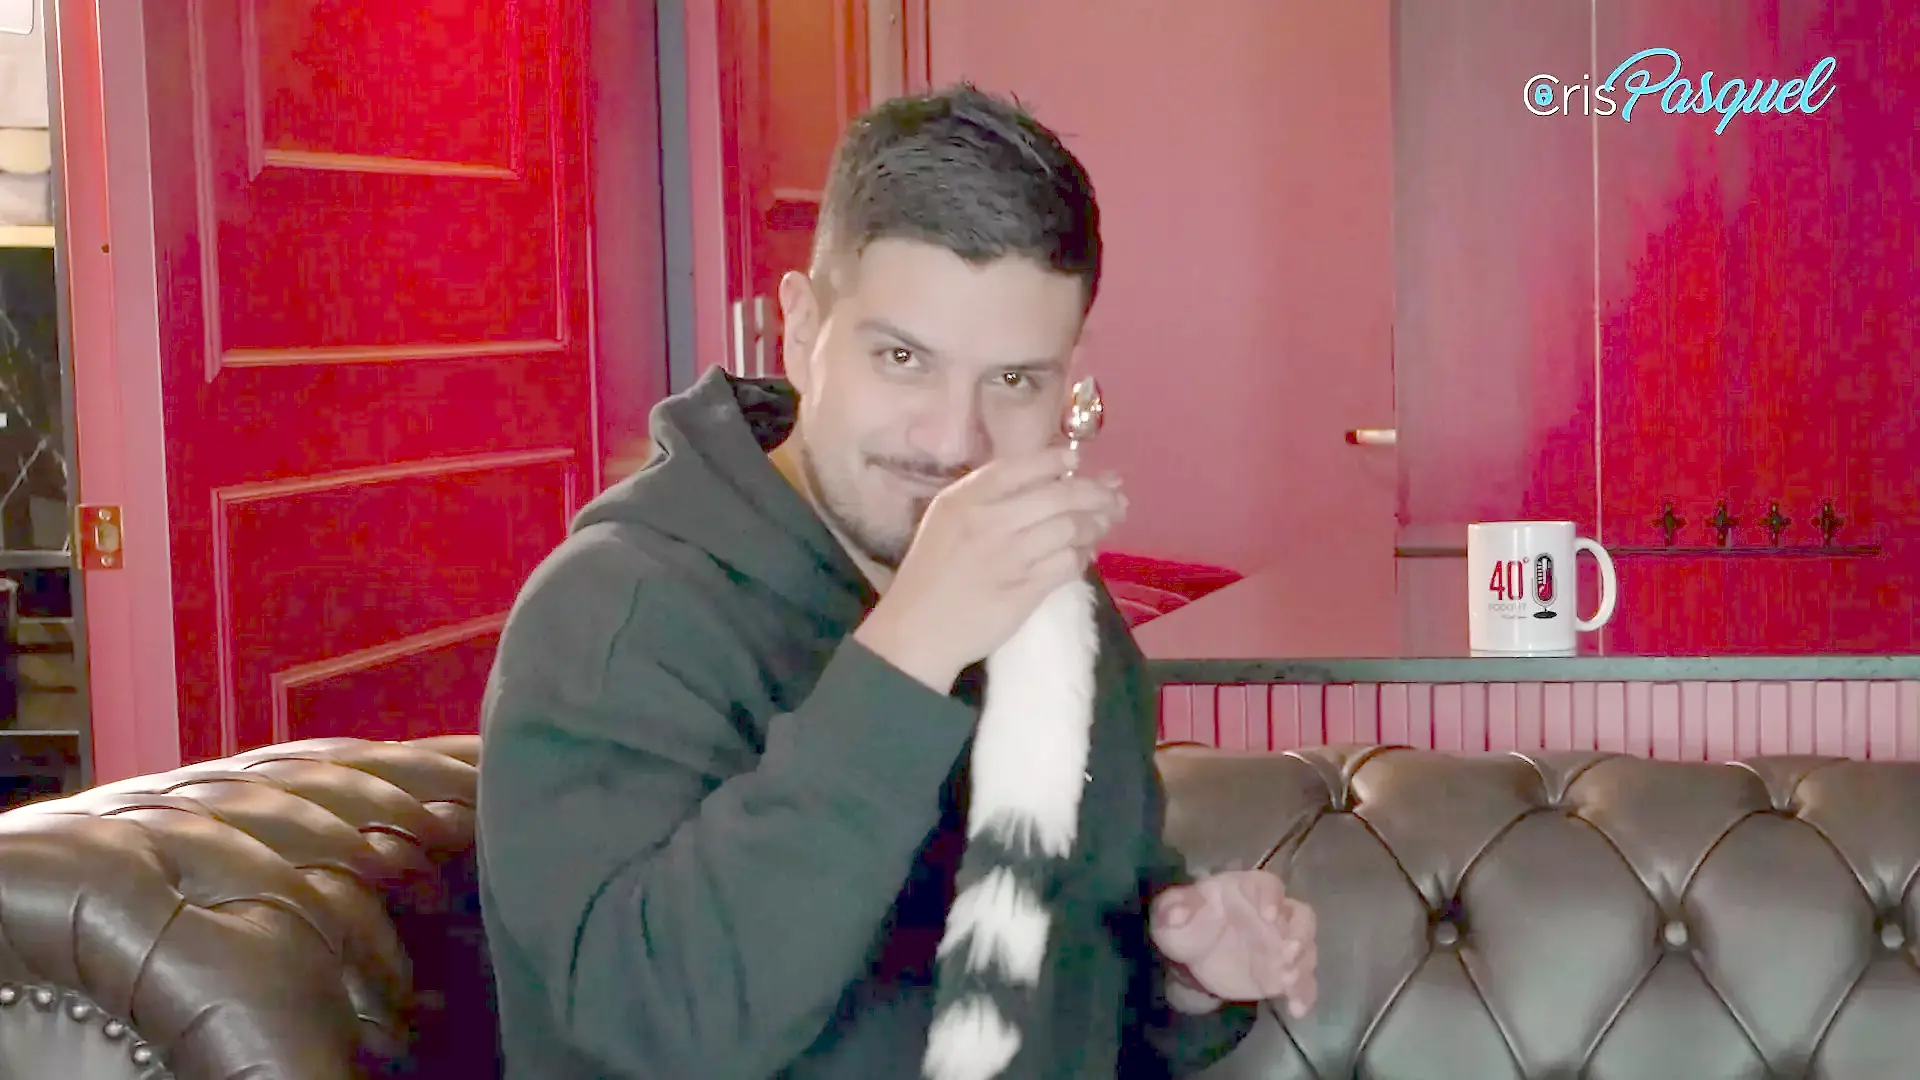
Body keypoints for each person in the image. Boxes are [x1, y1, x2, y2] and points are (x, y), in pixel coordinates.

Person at [476, 83, 1317, 1080]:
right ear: (801, 331)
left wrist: (1189, 977)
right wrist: (914, 645)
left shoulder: (1054, 602)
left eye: (1015, 380)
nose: (954, 440)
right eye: (904, 357)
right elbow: (656, 1033)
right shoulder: (618, 611)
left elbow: (1079, 992)